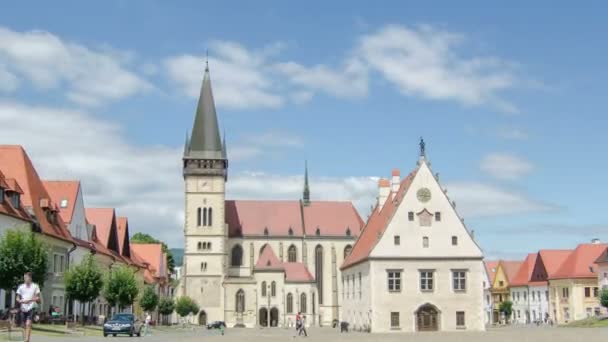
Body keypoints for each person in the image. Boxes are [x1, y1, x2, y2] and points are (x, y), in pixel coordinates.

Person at [16, 272, 40, 342]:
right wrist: (20, 301)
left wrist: (30, 300)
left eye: (26, 278)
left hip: (31, 307)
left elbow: (38, 298)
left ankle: (27, 339)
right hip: (23, 308)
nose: (25, 279)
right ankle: (25, 339)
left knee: (28, 324)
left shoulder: (35, 286)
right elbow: (17, 298)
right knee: (23, 325)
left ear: (30, 278)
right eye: (24, 278)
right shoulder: (21, 287)